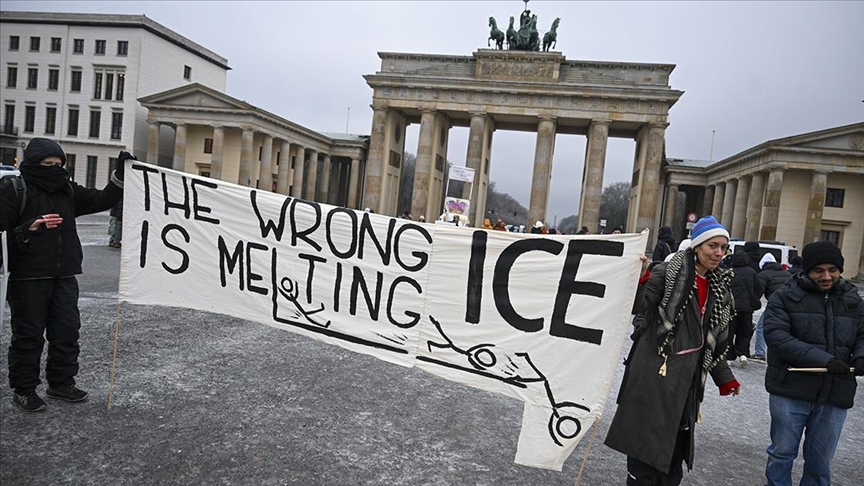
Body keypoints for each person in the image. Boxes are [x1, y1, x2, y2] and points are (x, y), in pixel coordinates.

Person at [605, 215, 740, 485]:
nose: (718, 253)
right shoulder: (667, 272)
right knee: (645, 453)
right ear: (697, 246)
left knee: (672, 457)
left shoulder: (719, 286)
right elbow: (636, 305)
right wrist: (640, 278)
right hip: (655, 373)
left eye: (723, 248)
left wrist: (724, 376)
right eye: (713, 246)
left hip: (687, 380)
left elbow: (710, 339)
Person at [0, 138, 130, 412]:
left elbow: (101, 199)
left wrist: (120, 175)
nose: (55, 169)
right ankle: (24, 390)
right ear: (33, 164)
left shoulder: (66, 189)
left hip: (65, 274)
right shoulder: (13, 190)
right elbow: (2, 236)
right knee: (29, 335)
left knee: (66, 331)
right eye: (48, 164)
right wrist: (27, 230)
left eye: (59, 164)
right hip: (28, 277)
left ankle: (61, 383)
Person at [762, 240, 864, 485]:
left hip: (835, 391)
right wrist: (827, 361)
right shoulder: (785, 297)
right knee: (782, 454)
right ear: (807, 270)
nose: (826, 276)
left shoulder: (853, 300)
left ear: (840, 270)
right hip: (791, 388)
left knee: (820, 462)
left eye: (832, 269)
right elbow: (778, 338)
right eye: (819, 270)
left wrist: (861, 355)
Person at [751, 253, 792, 362]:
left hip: (776, 304)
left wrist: (752, 304)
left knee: (761, 326)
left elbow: (758, 292)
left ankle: (760, 353)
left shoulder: (764, 275)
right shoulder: (787, 273)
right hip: (791, 304)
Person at [728, 252, 763, 367]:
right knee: (744, 332)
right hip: (747, 308)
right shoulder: (752, 272)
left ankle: (729, 356)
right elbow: (759, 289)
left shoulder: (730, 272)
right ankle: (743, 354)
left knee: (729, 332)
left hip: (731, 308)